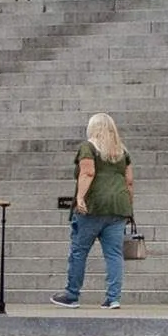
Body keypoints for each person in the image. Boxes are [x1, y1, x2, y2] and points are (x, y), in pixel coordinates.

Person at [55, 113, 133, 306]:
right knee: (114, 254)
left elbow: (88, 172)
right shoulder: (122, 151)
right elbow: (129, 182)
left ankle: (72, 295)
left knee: (79, 251)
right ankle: (113, 298)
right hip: (118, 207)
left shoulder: (88, 148)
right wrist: (128, 206)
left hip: (93, 206)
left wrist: (80, 197)